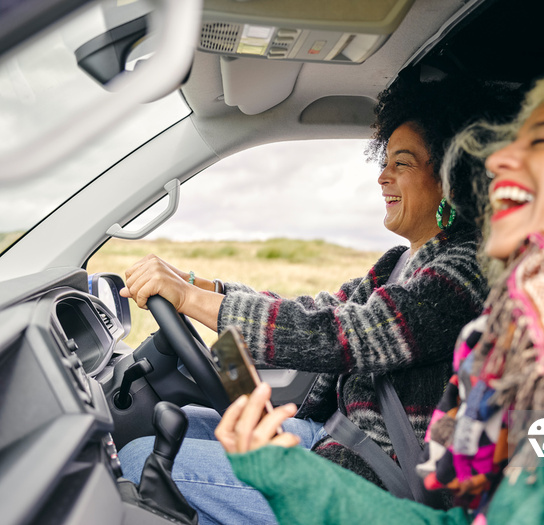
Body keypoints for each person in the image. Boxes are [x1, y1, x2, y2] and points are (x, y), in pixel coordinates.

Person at [213, 68, 544, 524]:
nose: (500, 159)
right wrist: (283, 473)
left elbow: (345, 333)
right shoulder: (517, 340)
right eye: (510, 143)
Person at [118, 76, 518, 524]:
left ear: (451, 175)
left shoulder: (467, 269)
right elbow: (321, 309)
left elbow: (346, 335)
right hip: (332, 437)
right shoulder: (401, 261)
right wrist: (199, 285)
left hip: (375, 480)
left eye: (401, 164)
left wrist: (190, 299)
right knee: (183, 421)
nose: (382, 176)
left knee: (141, 459)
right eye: (384, 162)